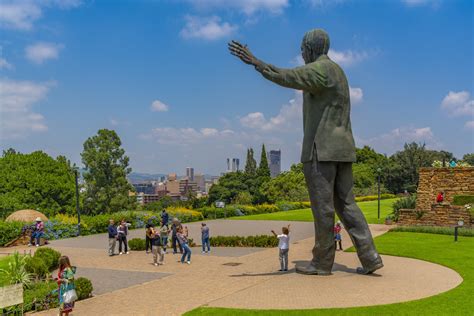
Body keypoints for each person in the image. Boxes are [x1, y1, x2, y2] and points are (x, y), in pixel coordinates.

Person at [229, 29, 383, 276]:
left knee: (323, 209)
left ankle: (322, 263)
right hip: (342, 149)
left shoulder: (320, 70)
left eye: (302, 49)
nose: (301, 54)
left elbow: (288, 76)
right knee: (348, 205)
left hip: (321, 150)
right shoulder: (338, 71)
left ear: (311, 48)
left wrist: (256, 62)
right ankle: (370, 257)